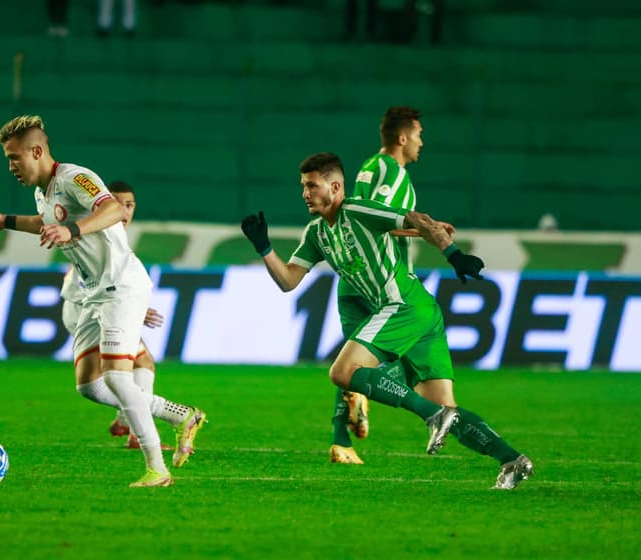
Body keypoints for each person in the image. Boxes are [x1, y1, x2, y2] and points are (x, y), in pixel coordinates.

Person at [240, 152, 533, 490]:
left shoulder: (358, 211)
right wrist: (264, 248)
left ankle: (432, 416)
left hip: (402, 305)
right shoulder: (317, 233)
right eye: (303, 186)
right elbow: (289, 281)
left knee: (342, 372)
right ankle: (512, 460)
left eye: (312, 185)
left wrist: (455, 255)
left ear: (335, 186)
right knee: (447, 406)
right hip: (420, 315)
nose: (305, 193)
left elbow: (416, 218)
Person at [0, 115, 206, 488]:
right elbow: (44, 220)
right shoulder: (44, 192)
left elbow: (113, 208)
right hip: (93, 294)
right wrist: (5, 221)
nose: (11, 166)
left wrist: (71, 229)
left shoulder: (73, 177)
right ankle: (182, 415)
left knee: (117, 377)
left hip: (121, 287)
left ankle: (156, 469)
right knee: (90, 385)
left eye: (14, 157)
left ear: (37, 151)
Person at [328, 106, 456, 465]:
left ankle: (341, 442)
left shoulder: (370, 166)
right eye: (418, 135)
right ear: (402, 138)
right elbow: (377, 221)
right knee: (361, 366)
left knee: (350, 365)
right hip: (383, 283)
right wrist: (426, 230)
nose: (421, 142)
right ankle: (422, 412)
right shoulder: (394, 173)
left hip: (354, 277)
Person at [60, 180, 171, 450]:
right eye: (117, 203)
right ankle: (138, 431)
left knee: (117, 374)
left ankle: (125, 420)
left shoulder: (110, 233)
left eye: (130, 205)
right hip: (89, 307)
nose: (124, 210)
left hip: (90, 307)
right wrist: (127, 304)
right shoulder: (100, 230)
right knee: (141, 365)